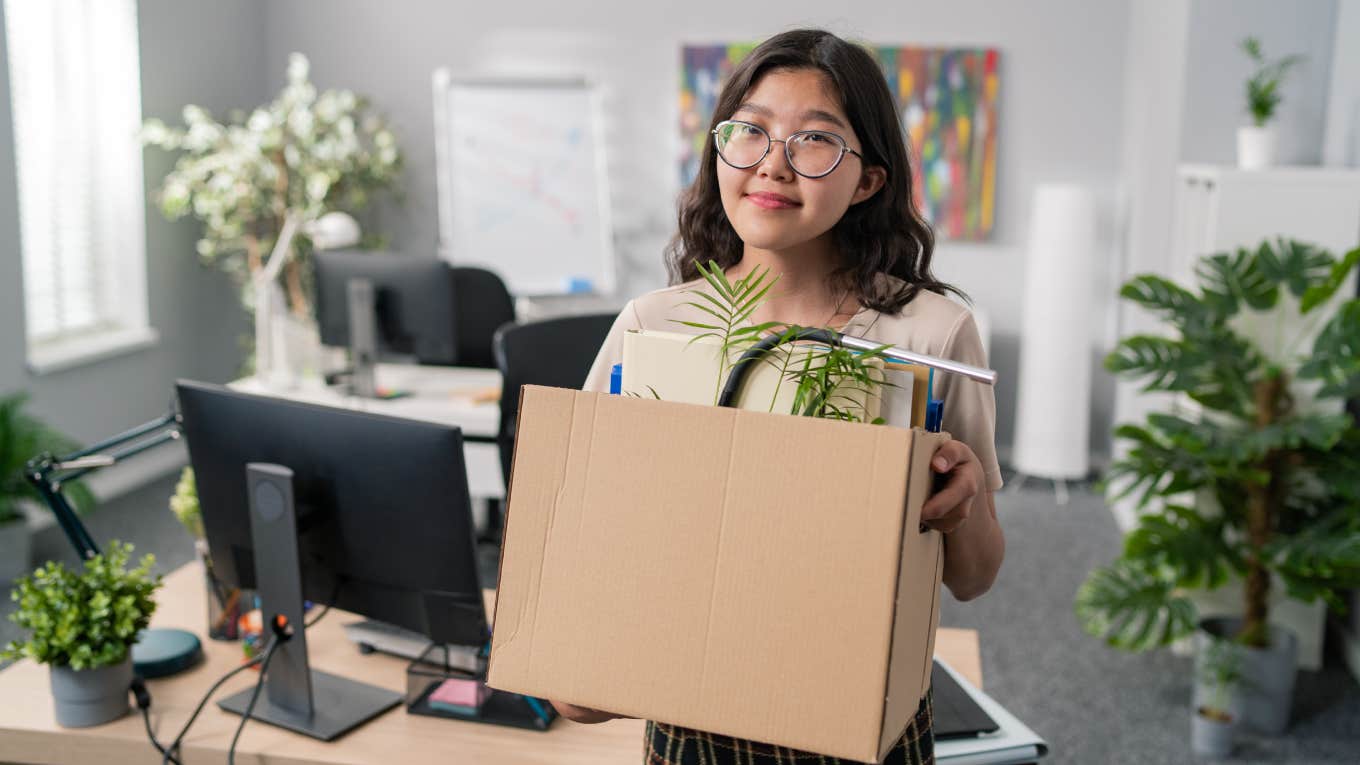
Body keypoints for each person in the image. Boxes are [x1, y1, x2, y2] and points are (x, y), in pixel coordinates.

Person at [552, 28, 1005, 765]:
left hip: (863, 730)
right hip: (690, 726)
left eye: (814, 141)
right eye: (751, 132)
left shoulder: (931, 334)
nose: (772, 165)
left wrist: (967, 497)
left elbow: (975, 576)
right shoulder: (651, 327)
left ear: (868, 180)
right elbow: (595, 546)